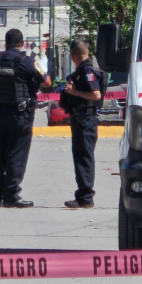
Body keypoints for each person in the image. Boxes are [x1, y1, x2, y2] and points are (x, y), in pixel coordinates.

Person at [0, 29, 51, 208]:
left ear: (5, 42)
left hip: (0, 112)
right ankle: (11, 194)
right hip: (20, 114)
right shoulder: (26, 61)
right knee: (17, 154)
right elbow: (46, 82)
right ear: (22, 44)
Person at [62, 39, 101, 209]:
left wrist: (75, 92)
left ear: (73, 55)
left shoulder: (87, 70)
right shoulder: (82, 70)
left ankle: (85, 197)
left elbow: (96, 95)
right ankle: (83, 195)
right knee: (81, 157)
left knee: (84, 158)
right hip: (81, 119)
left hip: (85, 120)